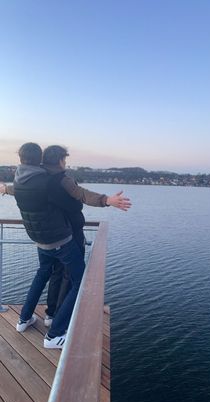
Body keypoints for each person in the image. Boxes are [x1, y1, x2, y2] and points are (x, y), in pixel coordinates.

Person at [0, 142, 131, 349]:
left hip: (39, 239)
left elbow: (14, 189)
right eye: (64, 160)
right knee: (81, 283)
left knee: (43, 273)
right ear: (57, 160)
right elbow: (81, 194)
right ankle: (54, 335)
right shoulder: (50, 180)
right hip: (60, 240)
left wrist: (4, 189)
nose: (65, 163)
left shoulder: (21, 179)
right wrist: (108, 200)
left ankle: (24, 319)